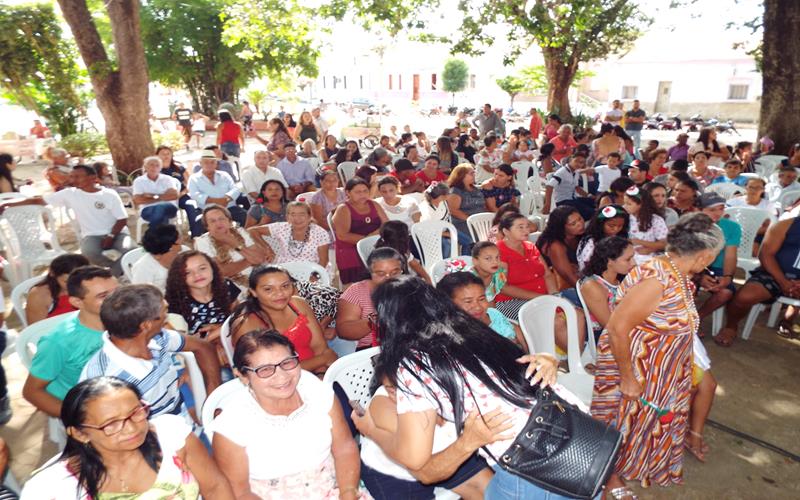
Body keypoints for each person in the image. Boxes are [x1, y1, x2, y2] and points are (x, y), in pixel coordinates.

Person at [351, 275, 583, 499]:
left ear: (388, 321)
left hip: (531, 463)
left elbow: (415, 460)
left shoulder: (415, 365)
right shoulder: (474, 330)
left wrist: (371, 430)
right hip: (575, 431)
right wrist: (548, 359)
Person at [591, 213, 723, 494]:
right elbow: (616, 329)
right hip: (637, 366)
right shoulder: (657, 280)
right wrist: (628, 378)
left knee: (647, 422)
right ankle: (610, 475)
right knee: (624, 422)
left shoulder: (678, 273)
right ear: (704, 256)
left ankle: (633, 464)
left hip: (660, 367)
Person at [21, 377, 234, 499]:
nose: (132, 428)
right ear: (80, 434)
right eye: (111, 424)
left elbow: (215, 487)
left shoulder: (172, 435)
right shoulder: (51, 487)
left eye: (136, 412)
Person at [211, 331, 362, 498]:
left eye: (287, 362)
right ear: (242, 376)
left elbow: (344, 448)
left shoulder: (315, 390)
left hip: (334, 485)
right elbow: (239, 493)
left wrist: (348, 491)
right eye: (265, 370)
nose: (282, 376)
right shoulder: (231, 425)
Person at [359, 356, 495, 499]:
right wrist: (468, 441)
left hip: (448, 451)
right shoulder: (383, 404)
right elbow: (421, 468)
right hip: (393, 472)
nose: (398, 395)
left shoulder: (452, 385)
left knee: (493, 492)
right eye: (391, 389)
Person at [80, 285, 221, 422]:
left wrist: (213, 400)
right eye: (164, 311)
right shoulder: (106, 383)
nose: (167, 317)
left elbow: (203, 347)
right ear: (146, 325)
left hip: (179, 416)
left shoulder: (157, 338)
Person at [2, 165, 135, 275]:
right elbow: (37, 200)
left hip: (117, 233)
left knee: (131, 250)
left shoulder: (109, 194)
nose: (73, 180)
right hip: (92, 235)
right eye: (71, 176)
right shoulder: (70, 194)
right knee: (89, 252)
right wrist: (7, 204)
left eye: (77, 176)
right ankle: (116, 271)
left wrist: (111, 236)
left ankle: (113, 273)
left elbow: (122, 219)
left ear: (93, 178)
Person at [22, 266, 118, 419]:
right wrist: (80, 418)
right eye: (103, 296)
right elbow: (32, 392)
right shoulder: (59, 342)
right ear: (77, 302)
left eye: (118, 291)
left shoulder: (127, 318)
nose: (118, 299)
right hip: (87, 406)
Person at [227, 266, 337, 374]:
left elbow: (320, 347)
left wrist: (321, 374)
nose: (280, 293)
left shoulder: (298, 304)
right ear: (253, 292)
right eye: (268, 289)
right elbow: (270, 372)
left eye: (285, 286)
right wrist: (322, 360)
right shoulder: (247, 325)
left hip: (315, 375)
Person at [715, 213, 800, 345]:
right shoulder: (785, 226)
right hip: (776, 275)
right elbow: (766, 255)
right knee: (744, 297)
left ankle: (789, 317)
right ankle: (731, 326)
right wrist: (783, 282)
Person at [438, 272, 530, 351]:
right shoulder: (457, 335)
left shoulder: (492, 314)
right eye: (468, 301)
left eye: (482, 299)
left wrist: (528, 351)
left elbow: (515, 329)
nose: (478, 307)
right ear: (448, 303)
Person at [336, 247, 405, 349]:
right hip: (371, 350)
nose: (389, 278)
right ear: (370, 272)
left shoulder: (411, 289)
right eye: (381, 274)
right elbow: (343, 331)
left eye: (395, 273)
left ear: (402, 271)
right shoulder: (357, 291)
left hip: (406, 346)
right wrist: (375, 320)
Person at [195, 205, 273, 294]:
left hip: (260, 277)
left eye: (221, 219)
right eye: (212, 221)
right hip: (234, 288)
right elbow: (221, 272)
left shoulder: (240, 232)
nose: (218, 223)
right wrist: (250, 260)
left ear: (229, 221)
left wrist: (235, 244)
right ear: (207, 227)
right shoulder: (202, 242)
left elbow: (260, 258)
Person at [693, 193, 740, 328]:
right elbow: (684, 259)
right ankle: (681, 319)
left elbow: (730, 255)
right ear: (698, 210)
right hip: (691, 268)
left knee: (725, 292)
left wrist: (727, 277)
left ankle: (696, 320)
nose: (718, 213)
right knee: (686, 287)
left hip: (715, 268)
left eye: (721, 209)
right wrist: (699, 276)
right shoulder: (689, 226)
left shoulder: (732, 227)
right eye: (712, 210)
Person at [332, 178, 388, 285]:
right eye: (358, 192)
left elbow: (386, 224)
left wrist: (375, 237)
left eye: (365, 191)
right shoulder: (343, 209)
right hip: (351, 249)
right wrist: (367, 240)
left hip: (375, 245)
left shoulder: (374, 204)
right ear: (348, 193)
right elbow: (343, 236)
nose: (362, 195)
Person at [579, 236, 636, 343]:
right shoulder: (592, 286)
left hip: (623, 330)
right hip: (603, 337)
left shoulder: (623, 279)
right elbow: (609, 326)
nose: (634, 263)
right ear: (609, 261)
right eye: (628, 259)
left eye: (633, 257)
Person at [166, 250, 233, 338]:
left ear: (212, 268)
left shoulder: (226, 286)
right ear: (178, 277)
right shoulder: (174, 302)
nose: (197, 275)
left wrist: (220, 329)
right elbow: (179, 340)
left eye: (202, 268)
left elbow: (238, 319)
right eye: (187, 272)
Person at [248, 201, 331, 266]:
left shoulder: (320, 233)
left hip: (313, 269)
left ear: (309, 217)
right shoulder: (282, 227)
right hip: (286, 268)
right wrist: (267, 248)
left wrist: (314, 277)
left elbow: (324, 261)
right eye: (293, 214)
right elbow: (252, 230)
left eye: (302, 214)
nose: (297, 218)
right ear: (287, 217)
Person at [24, 253, 90, 325]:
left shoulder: (92, 284)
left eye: (79, 281)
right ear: (52, 274)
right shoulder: (40, 295)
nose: (74, 285)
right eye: (67, 282)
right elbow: (36, 327)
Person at [188, 149, 246, 227]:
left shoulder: (224, 175)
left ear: (216, 164)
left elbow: (235, 188)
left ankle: (242, 234)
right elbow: (194, 194)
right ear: (201, 164)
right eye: (206, 162)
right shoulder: (194, 178)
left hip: (229, 207)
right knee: (198, 225)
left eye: (212, 162)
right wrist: (216, 201)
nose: (209, 165)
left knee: (245, 217)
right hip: (207, 210)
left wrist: (227, 199)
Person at [536, 206, 585, 290]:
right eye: (573, 224)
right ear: (561, 227)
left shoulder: (579, 236)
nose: (580, 224)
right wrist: (589, 292)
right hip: (559, 288)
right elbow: (569, 277)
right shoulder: (555, 246)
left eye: (580, 219)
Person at [576, 205, 629, 272]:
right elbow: (587, 266)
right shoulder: (591, 242)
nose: (616, 229)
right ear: (600, 224)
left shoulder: (619, 236)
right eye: (611, 226)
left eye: (620, 226)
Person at [131, 224, 183, 292]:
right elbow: (141, 294)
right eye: (178, 238)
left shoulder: (183, 253)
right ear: (170, 247)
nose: (181, 240)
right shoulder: (143, 268)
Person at [542, 152, 594, 220]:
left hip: (573, 199)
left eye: (581, 162)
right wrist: (547, 204)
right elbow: (549, 186)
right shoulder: (562, 172)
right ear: (571, 159)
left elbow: (576, 187)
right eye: (576, 161)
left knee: (594, 203)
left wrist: (589, 196)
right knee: (590, 212)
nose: (578, 164)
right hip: (562, 202)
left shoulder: (575, 172)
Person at [623, 186, 668, 264]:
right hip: (627, 259)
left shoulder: (655, 220)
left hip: (648, 259)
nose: (625, 206)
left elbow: (664, 244)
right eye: (624, 203)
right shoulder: (625, 217)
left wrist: (640, 243)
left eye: (629, 204)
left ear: (641, 204)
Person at [132, 155, 180, 228]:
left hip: (169, 208)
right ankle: (158, 233)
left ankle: (152, 232)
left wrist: (152, 196)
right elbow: (137, 200)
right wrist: (163, 196)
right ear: (145, 167)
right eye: (151, 165)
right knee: (161, 215)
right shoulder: (138, 181)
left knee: (160, 208)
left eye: (157, 165)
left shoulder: (168, 179)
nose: (154, 167)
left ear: (160, 168)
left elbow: (174, 196)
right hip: (147, 210)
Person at [448, 164, 486, 240]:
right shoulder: (455, 191)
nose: (474, 175)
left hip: (480, 222)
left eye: (474, 172)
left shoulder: (476, 189)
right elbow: (453, 210)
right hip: (464, 223)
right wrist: (471, 220)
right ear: (461, 176)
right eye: (471, 173)